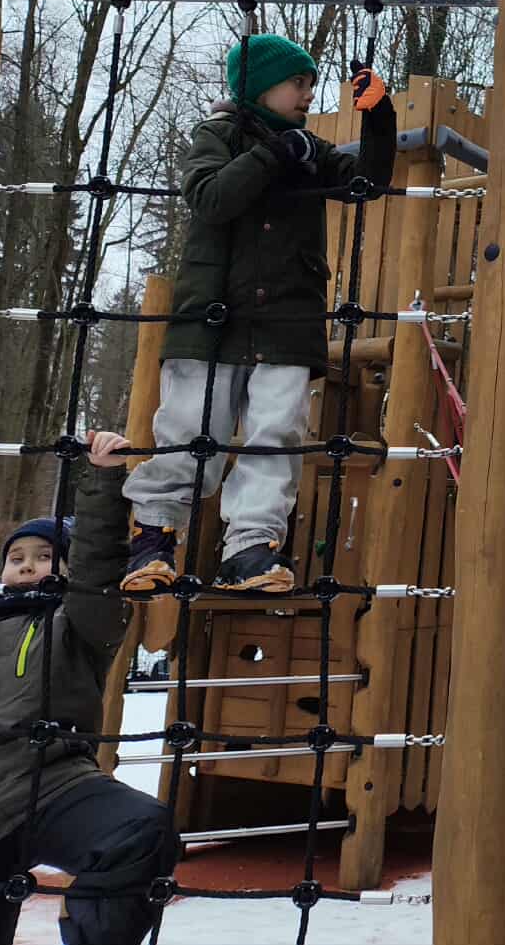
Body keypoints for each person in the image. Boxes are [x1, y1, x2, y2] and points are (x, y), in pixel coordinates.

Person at [122, 34, 394, 593]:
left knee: (277, 434)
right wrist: (273, 154)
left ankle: (250, 546)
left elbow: (365, 183)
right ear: (261, 86)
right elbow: (211, 198)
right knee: (191, 430)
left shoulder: (309, 149)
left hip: (287, 320)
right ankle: (154, 535)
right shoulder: (218, 134)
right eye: (297, 82)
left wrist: (379, 118)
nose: (308, 94)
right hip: (213, 317)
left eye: (311, 84)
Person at [0, 430, 174, 944]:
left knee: (142, 828)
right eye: (16, 558)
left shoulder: (82, 625)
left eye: (46, 555)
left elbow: (98, 570)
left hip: (54, 784)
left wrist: (102, 481)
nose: (28, 564)